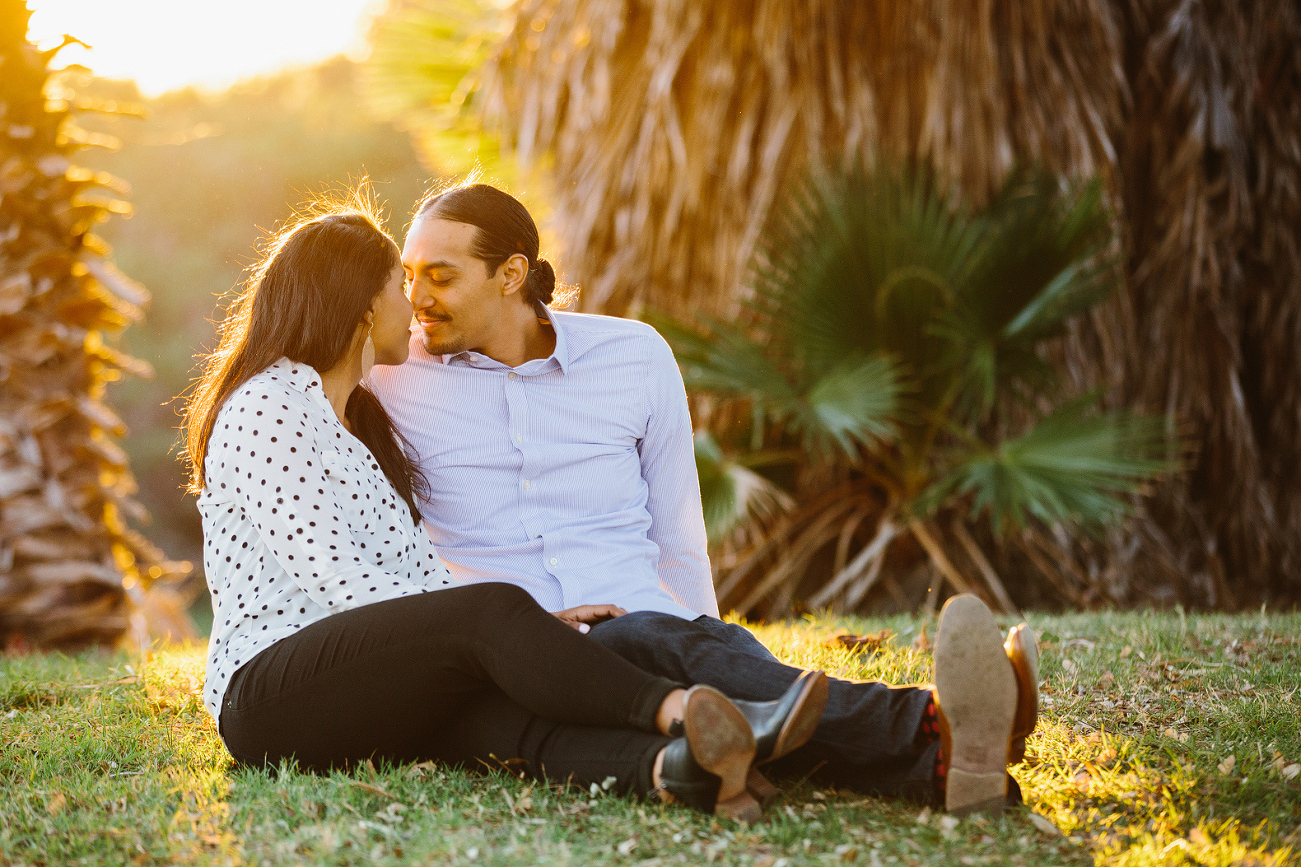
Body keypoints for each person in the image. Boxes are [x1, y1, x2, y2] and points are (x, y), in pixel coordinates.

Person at [368, 183, 1040, 814]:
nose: (415, 297)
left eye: (440, 275)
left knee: (656, 637)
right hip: (530, 657)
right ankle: (934, 718)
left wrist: (711, 648)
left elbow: (678, 529)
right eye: (408, 274)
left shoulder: (631, 355)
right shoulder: (393, 380)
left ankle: (947, 771)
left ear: (510, 274)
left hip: (652, 627)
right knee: (642, 638)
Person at [181, 199, 833, 822]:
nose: (410, 304)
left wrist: (528, 633)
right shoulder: (267, 406)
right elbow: (339, 582)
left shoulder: (358, 426)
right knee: (489, 609)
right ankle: (695, 712)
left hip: (353, 681)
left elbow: (420, 585)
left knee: (491, 718)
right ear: (355, 302)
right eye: (395, 284)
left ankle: (683, 768)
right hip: (267, 692)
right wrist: (488, 630)